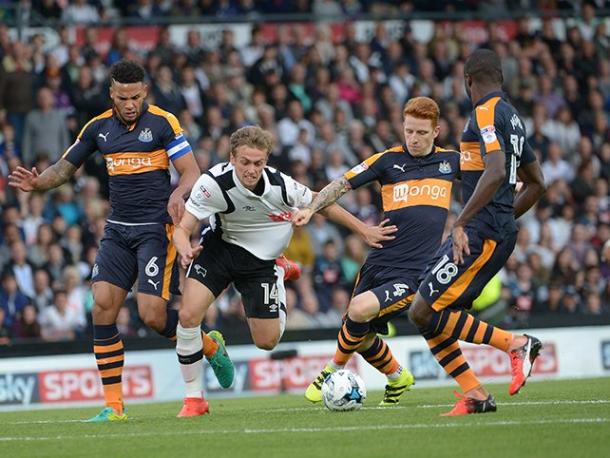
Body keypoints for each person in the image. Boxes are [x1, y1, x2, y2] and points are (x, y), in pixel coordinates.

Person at [8, 60, 229, 422]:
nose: (130, 104)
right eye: (123, 97)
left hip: (156, 231)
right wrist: (38, 183)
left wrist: (180, 193)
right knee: (103, 307)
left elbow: (191, 171)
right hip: (117, 231)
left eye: (137, 97)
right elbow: (64, 168)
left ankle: (209, 345)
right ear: (112, 93)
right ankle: (113, 406)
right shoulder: (97, 128)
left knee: (152, 316)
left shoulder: (162, 122)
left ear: (145, 93)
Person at [172, 125, 397, 417]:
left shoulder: (281, 185)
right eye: (244, 162)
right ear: (232, 158)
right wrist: (183, 247)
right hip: (220, 250)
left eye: (258, 163)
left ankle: (281, 268)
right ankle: (194, 400)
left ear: (265, 161)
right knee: (187, 316)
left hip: (262, 263)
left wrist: (363, 229)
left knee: (266, 341)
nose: (251, 170)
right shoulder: (213, 183)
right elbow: (183, 228)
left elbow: (322, 202)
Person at [294, 97, 461, 406]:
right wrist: (323, 213)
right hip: (379, 261)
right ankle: (398, 377)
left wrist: (514, 186)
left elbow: (488, 180)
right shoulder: (387, 161)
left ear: (436, 131)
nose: (413, 138)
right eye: (409, 130)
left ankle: (331, 370)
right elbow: (339, 185)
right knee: (356, 330)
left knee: (358, 311)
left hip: (416, 272)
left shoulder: (452, 161)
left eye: (421, 132)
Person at [407, 49, 546, 416]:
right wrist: (503, 217)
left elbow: (497, 170)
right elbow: (537, 184)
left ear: (468, 80)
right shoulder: (514, 118)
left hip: (480, 231)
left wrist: (463, 222)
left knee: (423, 310)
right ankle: (477, 395)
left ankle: (514, 344)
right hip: (492, 228)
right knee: (424, 309)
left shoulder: (485, 112)